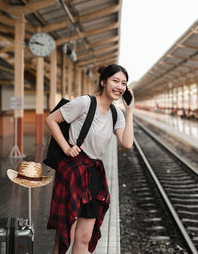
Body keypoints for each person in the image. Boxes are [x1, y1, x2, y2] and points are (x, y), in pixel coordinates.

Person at [45, 64, 134, 254]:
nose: (120, 86)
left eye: (124, 83)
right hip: (73, 171)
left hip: (94, 175)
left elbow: (127, 143)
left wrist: (130, 110)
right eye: (115, 81)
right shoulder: (84, 103)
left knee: (84, 238)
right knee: (65, 237)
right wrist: (66, 148)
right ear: (103, 82)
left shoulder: (116, 114)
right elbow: (51, 119)